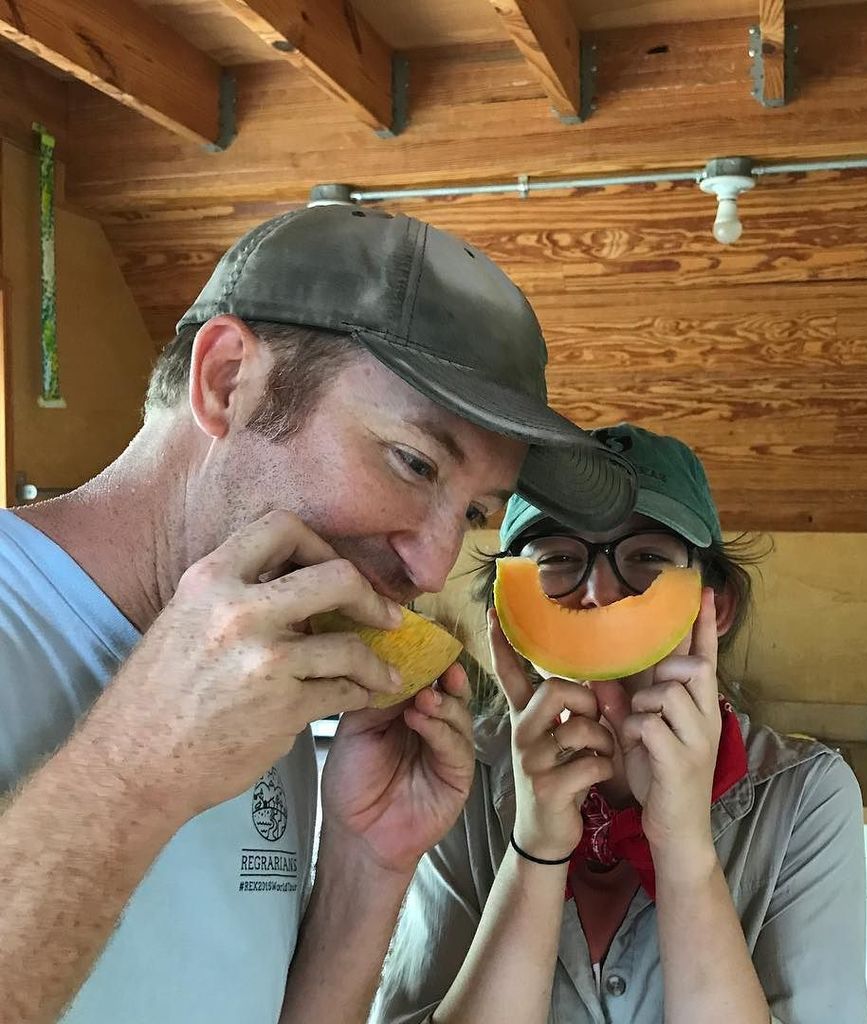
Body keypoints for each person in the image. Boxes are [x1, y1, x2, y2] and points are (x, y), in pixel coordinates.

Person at [0, 205, 637, 1024]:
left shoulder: (276, 654)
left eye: (476, 513)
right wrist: (137, 768)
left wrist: (367, 868)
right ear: (228, 380)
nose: (435, 564)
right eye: (412, 461)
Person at [373, 422, 867, 1024]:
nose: (599, 592)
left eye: (646, 558)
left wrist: (684, 845)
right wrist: (534, 849)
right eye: (557, 559)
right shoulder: (458, 775)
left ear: (717, 608)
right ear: (504, 609)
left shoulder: (806, 797)